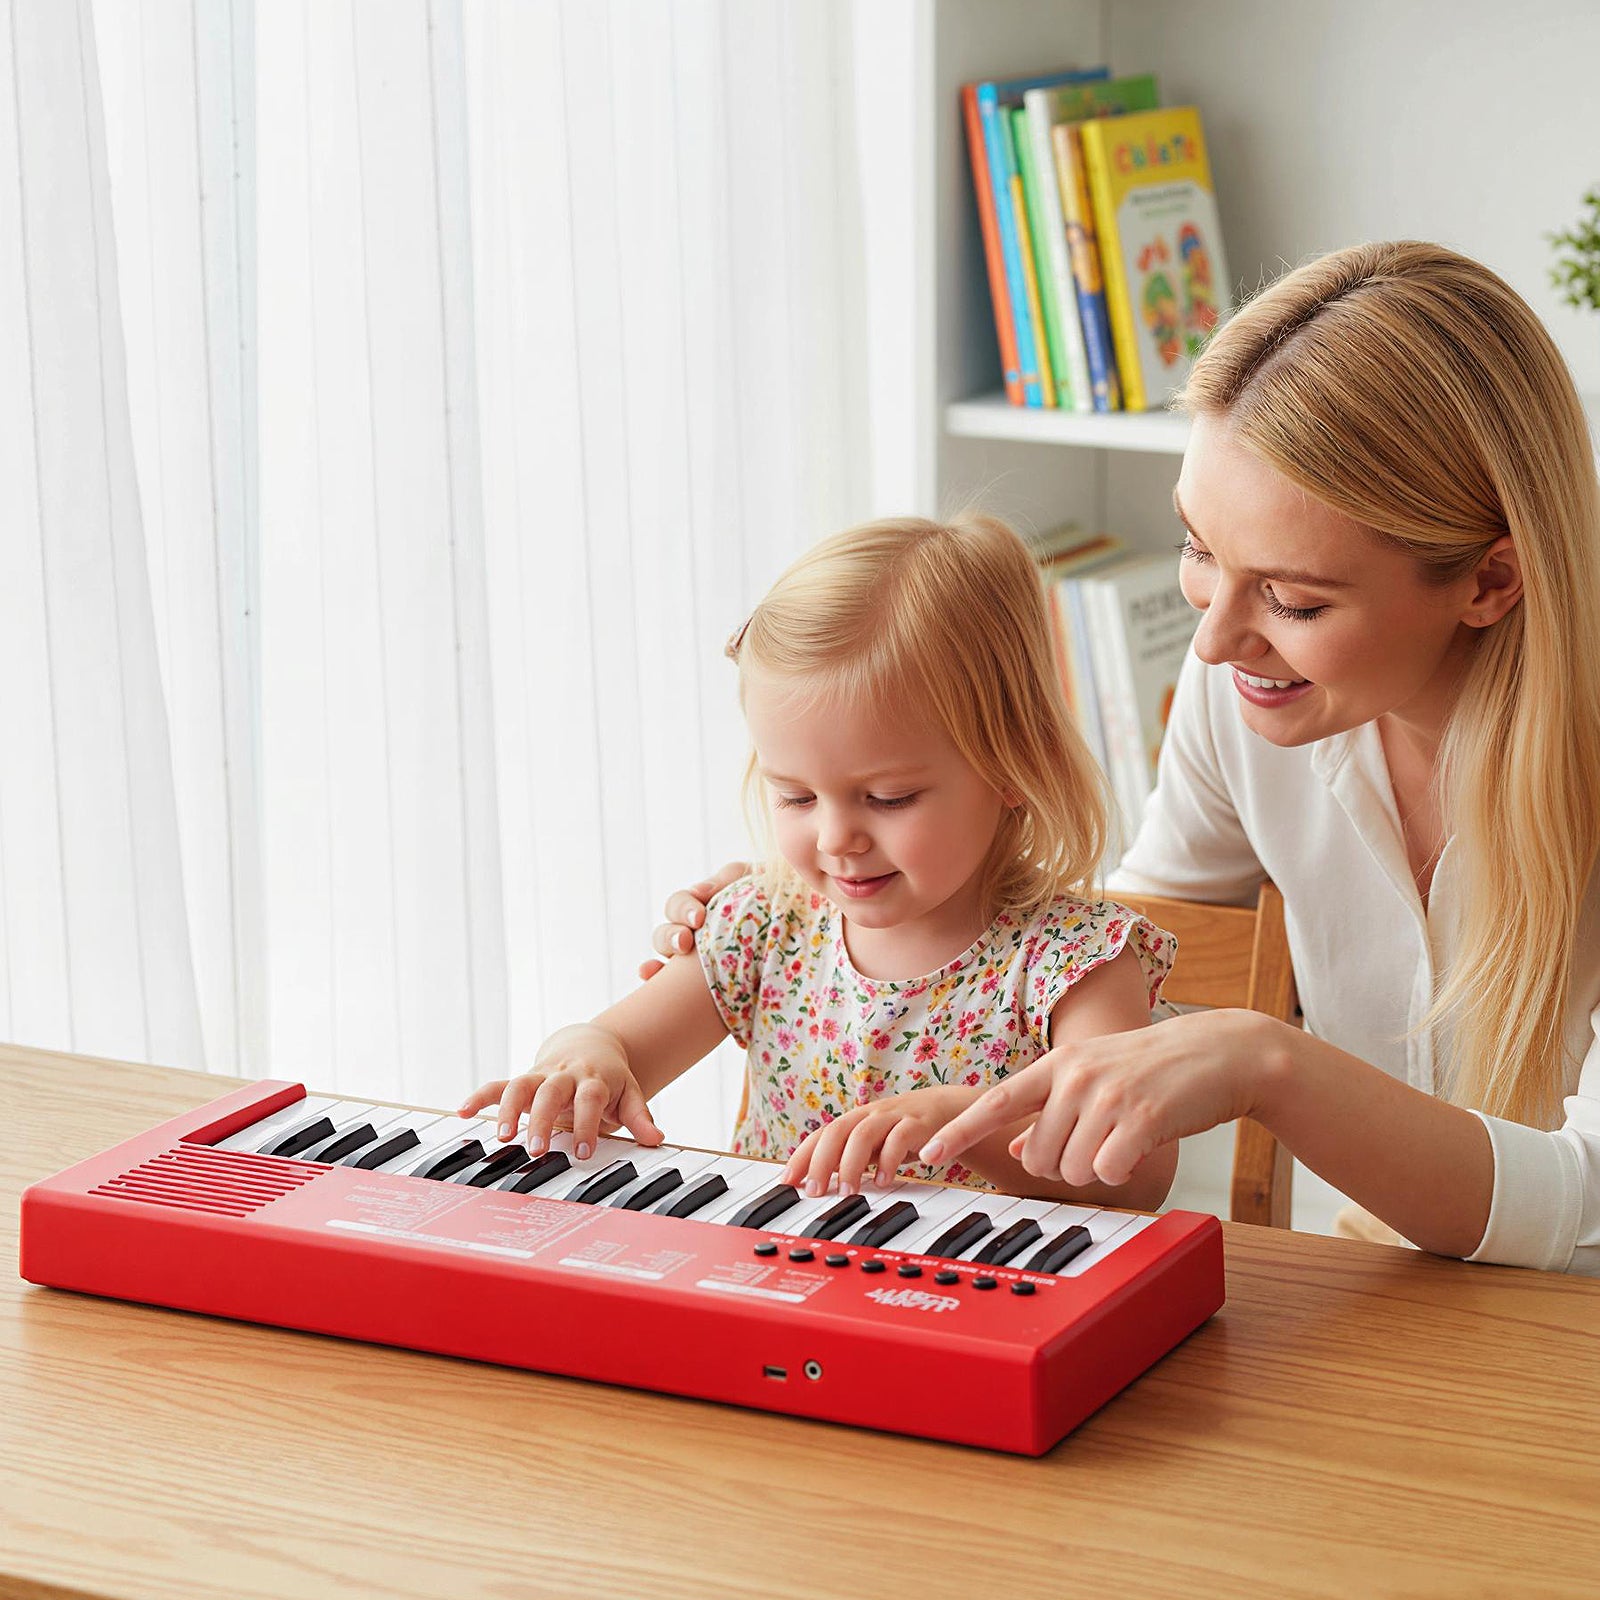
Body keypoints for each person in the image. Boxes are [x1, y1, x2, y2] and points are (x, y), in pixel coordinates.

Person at [648, 242, 1600, 1275]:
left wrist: (1270, 1063)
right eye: (1198, 546)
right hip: (1395, 1290)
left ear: (1490, 581)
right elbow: (1127, 959)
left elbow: (1581, 1197)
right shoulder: (1248, 692)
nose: (1213, 639)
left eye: (1293, 598)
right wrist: (842, 913)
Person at [462, 513, 1177, 1207]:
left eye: (889, 798)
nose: (837, 839)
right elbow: (615, 1044)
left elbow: (1133, 1175)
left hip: (986, 1302)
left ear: (1014, 767)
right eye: (797, 797)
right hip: (778, 1287)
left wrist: (962, 1123)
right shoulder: (767, 925)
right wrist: (583, 1058)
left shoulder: (1075, 963)